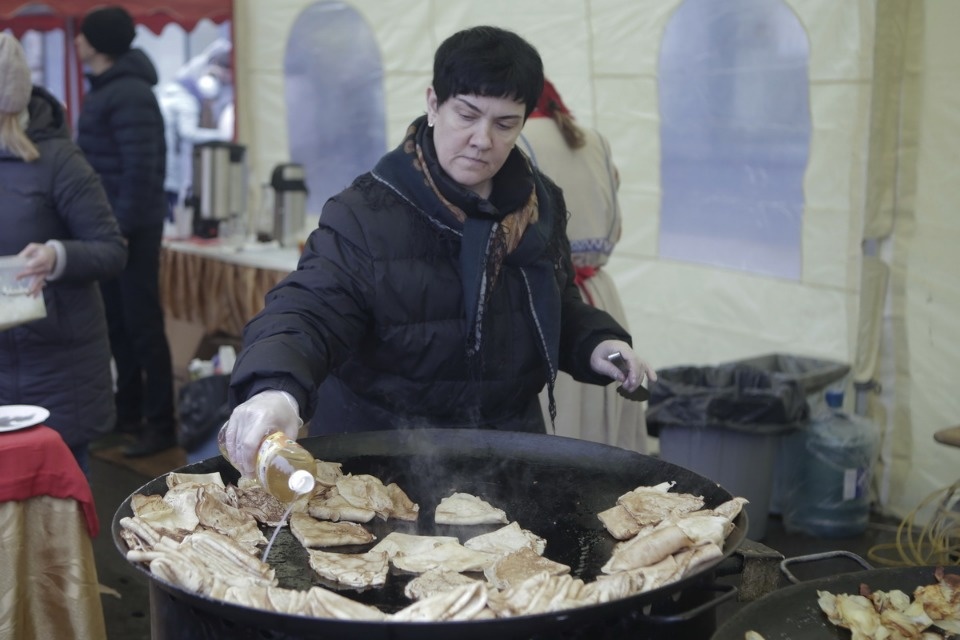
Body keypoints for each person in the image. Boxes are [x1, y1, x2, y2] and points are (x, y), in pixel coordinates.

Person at [220, 26, 656, 477]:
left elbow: (551, 301)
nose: (483, 139)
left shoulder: (539, 203)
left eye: (505, 124)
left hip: (506, 456)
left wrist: (596, 342)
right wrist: (277, 389)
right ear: (433, 104)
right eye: (467, 115)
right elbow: (310, 308)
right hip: (381, 458)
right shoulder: (367, 212)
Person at [0, 33, 127, 475]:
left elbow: (112, 250)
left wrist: (57, 257)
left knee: (61, 515)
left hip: (57, 369)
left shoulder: (60, 161)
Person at [517, 80, 648, 452]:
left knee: (565, 423)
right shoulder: (595, 140)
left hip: (555, 293)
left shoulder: (517, 144)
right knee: (601, 414)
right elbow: (616, 227)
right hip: (601, 297)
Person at [74, 6, 177, 457]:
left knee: (142, 324)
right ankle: (127, 414)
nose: (77, 42)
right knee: (116, 323)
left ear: (99, 43)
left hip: (129, 228)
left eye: (83, 35)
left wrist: (124, 228)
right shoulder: (107, 90)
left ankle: (160, 425)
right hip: (110, 230)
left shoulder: (130, 93)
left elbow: (142, 169)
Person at [156, 38, 234, 220]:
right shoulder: (186, 101)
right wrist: (222, 137)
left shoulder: (172, 92)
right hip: (170, 174)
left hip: (162, 171)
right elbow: (188, 133)